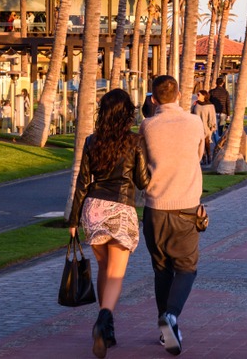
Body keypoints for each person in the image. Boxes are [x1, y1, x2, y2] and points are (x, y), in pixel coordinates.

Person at [69, 89, 150, 358]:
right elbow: (142, 182)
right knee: (116, 274)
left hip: (93, 210)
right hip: (121, 209)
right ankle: (103, 321)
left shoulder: (92, 141)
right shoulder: (134, 142)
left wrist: (72, 220)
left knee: (104, 268)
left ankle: (108, 330)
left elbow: (82, 182)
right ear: (127, 113)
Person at [140, 75, 204, 356]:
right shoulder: (194, 123)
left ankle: (164, 330)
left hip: (155, 207)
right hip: (186, 206)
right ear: (179, 95)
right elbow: (199, 155)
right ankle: (172, 316)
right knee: (187, 267)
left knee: (161, 269)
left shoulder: (147, 125)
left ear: (153, 99)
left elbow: (141, 164)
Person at [192, 90, 217, 164]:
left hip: (206, 127)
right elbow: (192, 113)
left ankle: (209, 156)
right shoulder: (195, 104)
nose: (197, 96)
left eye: (198, 94)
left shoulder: (210, 105)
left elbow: (212, 117)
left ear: (204, 96)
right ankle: (203, 157)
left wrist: (212, 126)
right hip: (197, 127)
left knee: (206, 142)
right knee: (199, 143)